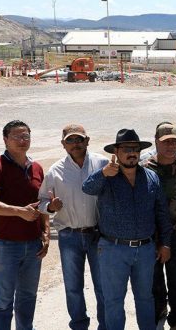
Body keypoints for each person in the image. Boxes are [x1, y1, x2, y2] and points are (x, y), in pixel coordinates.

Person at [82, 128, 174, 330]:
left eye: (135, 149)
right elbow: (87, 188)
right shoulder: (106, 176)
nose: (131, 153)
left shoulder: (151, 177)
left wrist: (165, 243)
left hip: (145, 250)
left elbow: (162, 214)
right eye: (126, 149)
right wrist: (103, 173)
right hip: (113, 250)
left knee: (145, 299)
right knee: (113, 301)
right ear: (116, 151)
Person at [38, 124, 108, 330]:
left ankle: (105, 325)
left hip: (98, 234)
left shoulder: (101, 163)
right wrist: (50, 206)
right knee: (73, 287)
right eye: (70, 140)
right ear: (63, 145)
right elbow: (41, 202)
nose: (75, 144)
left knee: (103, 286)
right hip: (70, 236)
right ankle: (79, 325)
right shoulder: (55, 171)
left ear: (87, 140)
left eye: (79, 139)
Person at [0, 120, 49, 330]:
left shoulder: (36, 168)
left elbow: (42, 202)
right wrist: (18, 212)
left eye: (26, 136)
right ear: (5, 140)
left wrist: (46, 232)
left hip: (33, 245)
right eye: (17, 137)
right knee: (3, 302)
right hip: (5, 246)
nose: (22, 140)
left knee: (28, 298)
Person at [143, 123, 176, 330]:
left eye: (174, 141)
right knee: (154, 280)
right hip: (153, 235)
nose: (170, 146)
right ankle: (159, 311)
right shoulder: (146, 168)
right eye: (165, 142)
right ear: (156, 142)